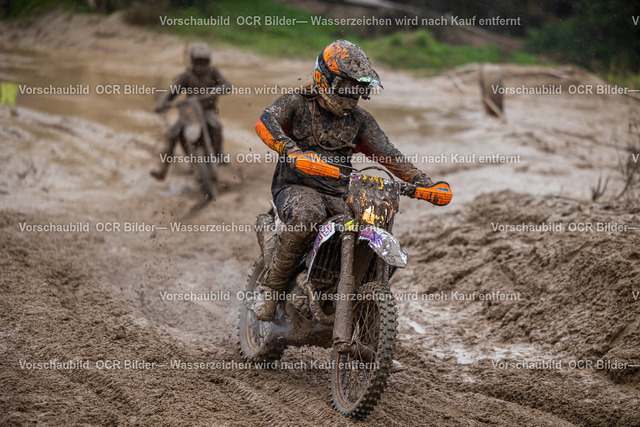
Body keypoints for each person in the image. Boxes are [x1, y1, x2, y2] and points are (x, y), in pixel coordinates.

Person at [252, 39, 435, 321]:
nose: (353, 94)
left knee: (373, 227)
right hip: (295, 187)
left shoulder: (360, 120)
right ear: (325, 78)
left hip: (340, 193)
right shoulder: (297, 103)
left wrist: (424, 183)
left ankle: (362, 312)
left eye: (359, 87)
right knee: (308, 214)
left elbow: (389, 155)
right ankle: (270, 290)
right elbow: (265, 122)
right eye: (347, 85)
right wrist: (292, 152)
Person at [151, 42, 231, 180]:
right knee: (171, 134)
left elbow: (227, 85)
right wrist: (162, 104)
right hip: (190, 113)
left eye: (204, 62)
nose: (201, 65)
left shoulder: (213, 72)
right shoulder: (186, 76)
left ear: (209, 61)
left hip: (208, 111)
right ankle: (162, 169)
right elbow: (171, 92)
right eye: (198, 62)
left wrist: (216, 90)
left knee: (217, 126)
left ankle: (219, 155)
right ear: (193, 62)